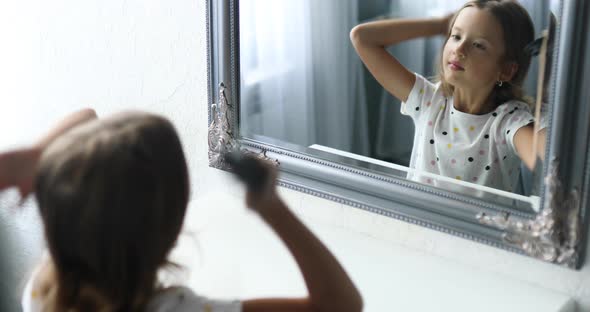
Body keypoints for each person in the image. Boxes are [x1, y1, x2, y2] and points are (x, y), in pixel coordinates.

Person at [0, 109, 363, 312]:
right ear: (170, 227)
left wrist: (32, 158)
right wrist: (272, 208)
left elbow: (87, 117)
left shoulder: (43, 291)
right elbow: (340, 305)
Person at [350, 0, 544, 193]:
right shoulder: (428, 100)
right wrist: (439, 25)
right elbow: (362, 38)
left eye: (478, 45)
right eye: (456, 36)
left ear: (506, 70)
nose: (459, 49)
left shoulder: (508, 120)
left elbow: (546, 158)